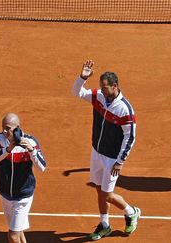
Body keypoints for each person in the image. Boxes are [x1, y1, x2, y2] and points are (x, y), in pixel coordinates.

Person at [71, 60, 140, 240]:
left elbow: (130, 137)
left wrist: (120, 161)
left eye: (105, 88)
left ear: (115, 86)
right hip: (97, 152)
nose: (101, 91)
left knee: (107, 194)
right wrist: (82, 78)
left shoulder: (125, 109)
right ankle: (105, 225)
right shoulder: (99, 97)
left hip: (112, 159)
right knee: (99, 190)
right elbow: (77, 93)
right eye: (100, 87)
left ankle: (131, 211)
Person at [0, 113, 46, 243]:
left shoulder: (30, 141)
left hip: (23, 195)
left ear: (17, 127)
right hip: (5, 193)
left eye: (8, 128)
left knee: (13, 236)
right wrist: (8, 149)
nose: (4, 131)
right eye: (3, 127)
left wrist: (32, 151)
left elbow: (42, 167)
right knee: (17, 231)